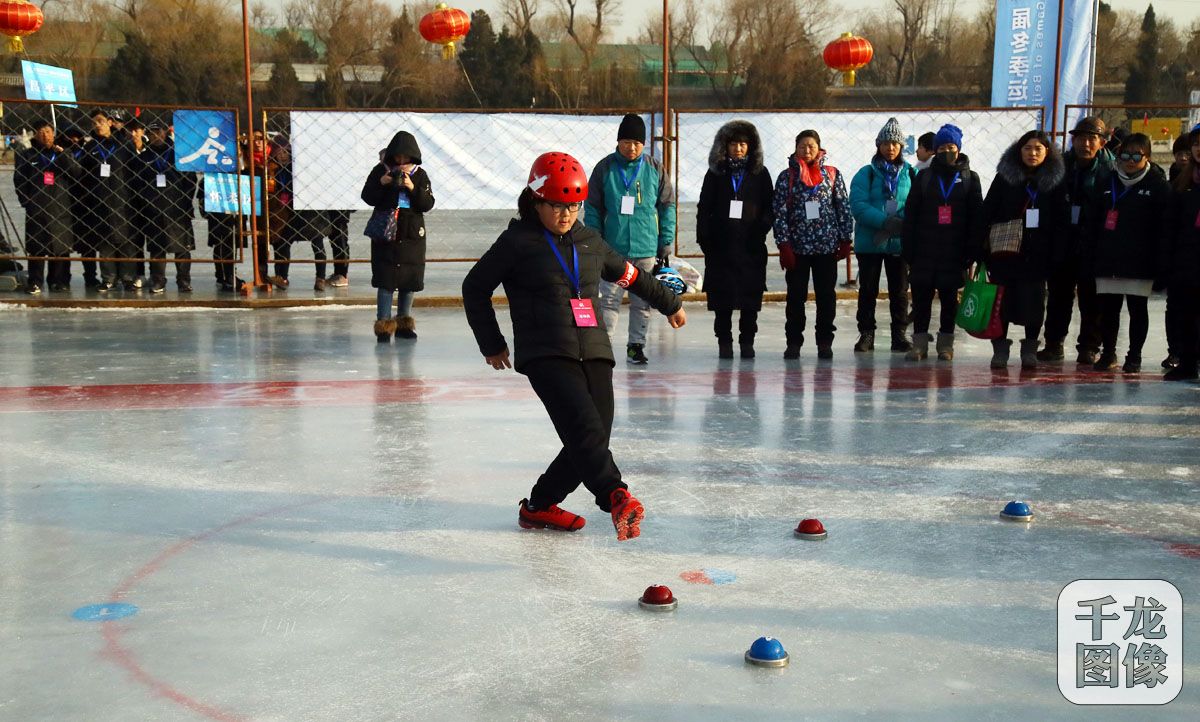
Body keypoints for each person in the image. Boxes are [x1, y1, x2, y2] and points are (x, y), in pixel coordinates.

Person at [462, 151, 686, 540]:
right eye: (556, 206)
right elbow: (475, 286)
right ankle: (616, 495)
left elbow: (632, 275)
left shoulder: (589, 240)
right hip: (546, 350)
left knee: (593, 435)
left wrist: (670, 303)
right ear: (535, 200)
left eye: (574, 206)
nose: (566, 215)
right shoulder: (519, 241)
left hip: (594, 347)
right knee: (584, 430)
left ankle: (539, 506)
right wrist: (492, 342)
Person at [585, 113, 676, 365]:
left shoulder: (654, 168)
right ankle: (604, 346)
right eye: (626, 141)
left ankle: (636, 346)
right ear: (618, 141)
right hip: (612, 249)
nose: (631, 147)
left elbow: (667, 206)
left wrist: (665, 242)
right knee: (609, 301)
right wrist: (595, 240)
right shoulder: (604, 168)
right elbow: (592, 207)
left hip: (645, 247)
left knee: (642, 301)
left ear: (643, 144)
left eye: (637, 142)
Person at [1082, 133, 1170, 373]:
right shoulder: (1107, 182)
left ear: (1147, 157)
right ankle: (1108, 353)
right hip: (1108, 258)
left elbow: (1164, 228)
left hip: (1140, 261)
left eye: (1136, 156)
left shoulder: (1158, 185)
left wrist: (1160, 263)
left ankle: (1134, 356)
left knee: (1137, 310)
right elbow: (1092, 223)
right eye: (1125, 155)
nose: (1130, 161)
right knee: (1108, 310)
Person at [980, 130, 1068, 369]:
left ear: (1047, 152)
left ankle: (1029, 348)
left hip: (1039, 254)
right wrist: (981, 250)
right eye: (1027, 148)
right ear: (1019, 151)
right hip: (1005, 252)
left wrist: (1057, 253)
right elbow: (988, 211)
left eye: (1038, 149)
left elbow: (1061, 220)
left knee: (1034, 302)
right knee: (1002, 303)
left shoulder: (1055, 181)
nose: (1032, 153)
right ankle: (1000, 350)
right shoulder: (1005, 177)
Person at [901, 123, 984, 361]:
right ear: (935, 151)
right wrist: (909, 249)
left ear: (958, 149)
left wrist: (972, 250)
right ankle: (919, 344)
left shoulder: (970, 178)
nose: (948, 151)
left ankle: (945, 344)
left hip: (954, 251)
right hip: (924, 250)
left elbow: (976, 216)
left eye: (952, 146)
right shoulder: (924, 177)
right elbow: (911, 214)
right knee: (921, 299)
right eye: (942, 147)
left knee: (949, 300)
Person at [695, 119, 773, 359]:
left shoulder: (759, 173)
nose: (738, 148)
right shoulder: (716, 173)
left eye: (743, 144)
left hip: (750, 246)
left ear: (751, 147)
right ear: (724, 146)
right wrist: (705, 238)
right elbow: (704, 206)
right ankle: (724, 342)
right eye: (733, 144)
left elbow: (770, 206)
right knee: (723, 300)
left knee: (750, 300)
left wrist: (761, 228)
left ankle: (747, 342)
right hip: (721, 247)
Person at [772, 129, 853, 359]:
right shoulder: (786, 176)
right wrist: (783, 244)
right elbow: (779, 212)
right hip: (797, 249)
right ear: (795, 148)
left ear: (819, 148)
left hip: (826, 248)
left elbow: (843, 207)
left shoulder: (832, 174)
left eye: (811, 146)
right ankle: (794, 342)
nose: (807, 151)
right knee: (795, 298)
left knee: (826, 297)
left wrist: (846, 238)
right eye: (802, 146)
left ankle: (825, 341)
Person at [1039, 116, 1113, 364]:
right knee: (1059, 295)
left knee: (1092, 299)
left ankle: (1089, 346)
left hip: (1094, 242)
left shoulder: (1111, 171)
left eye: (1092, 138)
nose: (1086, 144)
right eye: (1081, 138)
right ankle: (1053, 343)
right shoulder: (1060, 167)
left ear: (1102, 142)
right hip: (1063, 239)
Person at [849, 117, 915, 353]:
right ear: (878, 144)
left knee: (899, 291)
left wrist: (899, 223)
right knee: (868, 290)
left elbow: (918, 203)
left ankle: (899, 334)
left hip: (899, 243)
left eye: (895, 144)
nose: (890, 148)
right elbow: (858, 205)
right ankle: (866, 334)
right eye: (886, 143)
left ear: (901, 147)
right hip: (870, 243)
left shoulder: (911, 173)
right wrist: (886, 222)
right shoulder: (865, 174)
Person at [362, 131, 434, 342]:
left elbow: (427, 204)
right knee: (386, 280)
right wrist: (382, 182)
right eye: (398, 157)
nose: (401, 162)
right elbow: (367, 196)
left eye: (406, 157)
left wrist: (412, 188)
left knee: (408, 280)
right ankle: (383, 325)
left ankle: (404, 323)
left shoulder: (420, 175)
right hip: (386, 231)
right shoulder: (381, 171)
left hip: (411, 233)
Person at [14, 119, 80, 294]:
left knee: (59, 248)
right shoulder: (27, 155)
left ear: (54, 134)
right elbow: (19, 181)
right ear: (36, 134)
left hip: (60, 208)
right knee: (37, 248)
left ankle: (59, 281)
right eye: (41, 131)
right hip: (37, 208)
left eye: (48, 131)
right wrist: (27, 202)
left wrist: (64, 154)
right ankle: (35, 281)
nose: (45, 135)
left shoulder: (62, 154)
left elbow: (77, 172)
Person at [137, 122, 198, 293]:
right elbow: (138, 183)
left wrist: (185, 201)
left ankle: (184, 281)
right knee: (157, 248)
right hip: (154, 209)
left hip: (178, 209)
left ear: (165, 132)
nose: (155, 135)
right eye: (152, 132)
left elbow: (191, 181)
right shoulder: (144, 157)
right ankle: (158, 280)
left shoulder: (179, 155)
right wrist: (146, 202)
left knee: (182, 249)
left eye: (158, 131)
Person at [79, 109, 136, 292]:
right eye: (94, 122)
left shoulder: (123, 145)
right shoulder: (90, 148)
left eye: (101, 121)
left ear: (110, 122)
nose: (97, 125)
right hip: (100, 201)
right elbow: (83, 176)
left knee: (126, 242)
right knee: (105, 243)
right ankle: (108, 278)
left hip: (123, 200)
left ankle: (128, 277)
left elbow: (134, 170)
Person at [1164, 127, 1200, 381]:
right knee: (1186, 314)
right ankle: (1187, 363)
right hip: (1187, 261)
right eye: (1196, 144)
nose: (1198, 148)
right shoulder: (1183, 182)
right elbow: (1171, 225)